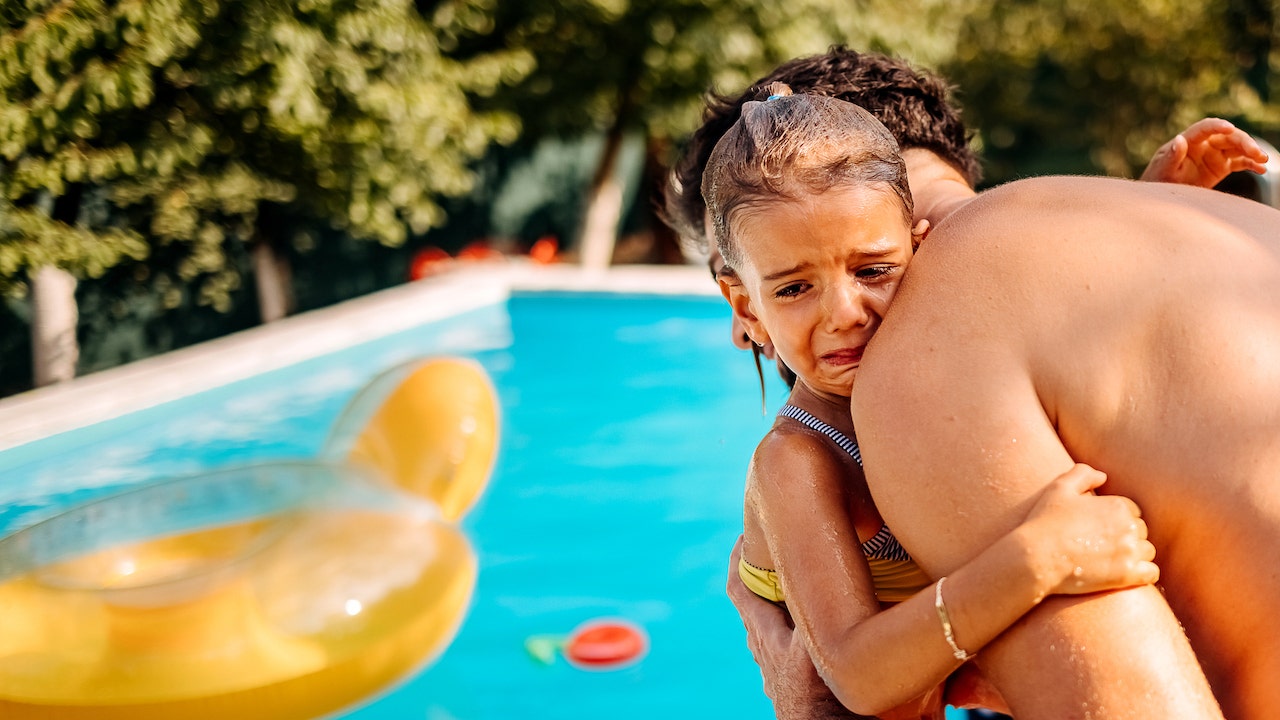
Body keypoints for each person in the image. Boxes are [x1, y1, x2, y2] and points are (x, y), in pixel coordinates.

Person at [662, 47, 1270, 720]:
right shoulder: (804, 455)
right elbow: (856, 670)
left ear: (914, 238)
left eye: (872, 270)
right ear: (744, 302)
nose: (842, 313)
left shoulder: (934, 351)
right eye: (791, 285)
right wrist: (1028, 563)